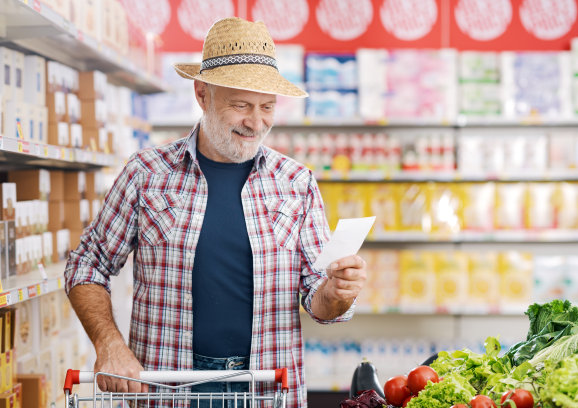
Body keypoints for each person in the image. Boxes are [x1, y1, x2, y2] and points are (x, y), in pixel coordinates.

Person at [64, 17, 368, 408]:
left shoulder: (297, 182)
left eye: (267, 107)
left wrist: (337, 292)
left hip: (265, 386)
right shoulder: (147, 174)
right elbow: (87, 264)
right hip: (167, 386)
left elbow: (318, 301)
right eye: (240, 105)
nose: (255, 123)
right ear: (202, 94)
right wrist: (109, 344)